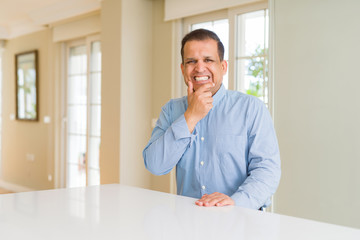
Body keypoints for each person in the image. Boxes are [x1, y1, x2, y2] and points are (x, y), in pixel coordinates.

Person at [143, 29, 281, 210]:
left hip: (239, 221)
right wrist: (190, 117)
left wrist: (236, 202)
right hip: (189, 221)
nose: (199, 68)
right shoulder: (171, 110)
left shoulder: (251, 108)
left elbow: (267, 170)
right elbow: (155, 165)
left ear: (223, 67)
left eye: (208, 60)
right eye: (191, 61)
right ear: (183, 69)